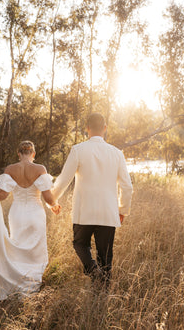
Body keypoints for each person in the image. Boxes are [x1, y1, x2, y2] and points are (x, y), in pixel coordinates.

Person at [0, 141, 60, 302]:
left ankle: (16, 283)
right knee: (34, 253)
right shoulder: (40, 169)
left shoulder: (10, 169)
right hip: (35, 214)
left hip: (17, 214)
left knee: (18, 249)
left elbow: (2, 196)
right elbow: (48, 198)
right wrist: (55, 205)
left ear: (18, 153)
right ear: (33, 153)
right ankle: (31, 286)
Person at [51, 113, 133, 287]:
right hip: (108, 212)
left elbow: (63, 180)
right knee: (105, 257)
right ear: (105, 128)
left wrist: (53, 201)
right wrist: (122, 210)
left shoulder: (78, 150)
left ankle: (92, 270)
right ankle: (102, 288)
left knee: (80, 244)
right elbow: (127, 187)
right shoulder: (117, 153)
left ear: (87, 128)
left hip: (84, 212)